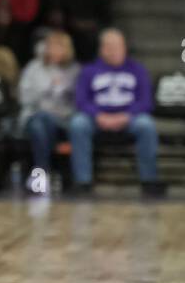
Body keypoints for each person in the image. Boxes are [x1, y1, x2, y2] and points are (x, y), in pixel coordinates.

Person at [68, 28, 162, 196]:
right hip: (97, 119)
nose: (115, 51)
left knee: (146, 124)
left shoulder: (137, 70)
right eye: (110, 47)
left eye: (118, 46)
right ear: (102, 49)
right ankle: (83, 182)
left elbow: (146, 102)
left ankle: (149, 180)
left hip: (129, 119)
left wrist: (126, 116)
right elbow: (81, 101)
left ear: (125, 47)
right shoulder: (88, 71)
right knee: (78, 123)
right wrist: (98, 115)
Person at [19, 31, 79, 178]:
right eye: (51, 46)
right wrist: (48, 87)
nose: (54, 50)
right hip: (35, 115)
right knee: (39, 124)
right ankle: (44, 173)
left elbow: (78, 100)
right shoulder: (33, 68)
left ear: (67, 49)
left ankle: (40, 174)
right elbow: (24, 98)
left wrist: (66, 89)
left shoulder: (75, 70)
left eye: (59, 46)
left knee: (42, 124)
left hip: (64, 119)